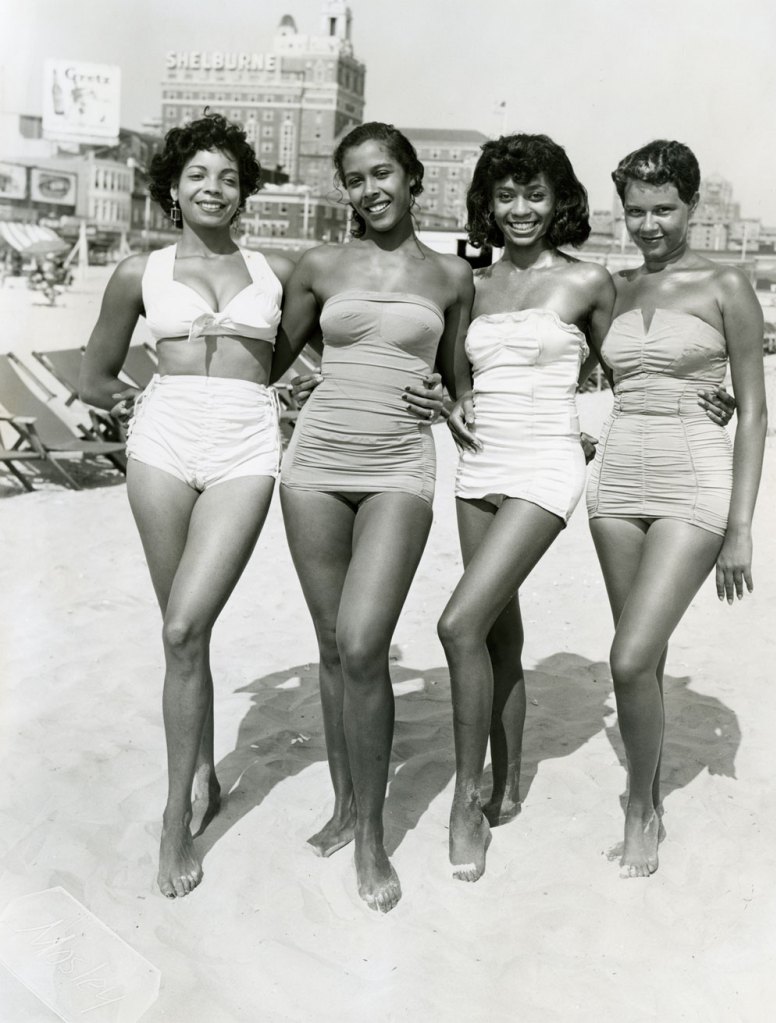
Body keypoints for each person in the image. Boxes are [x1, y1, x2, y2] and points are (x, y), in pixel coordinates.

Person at [80, 112, 294, 899]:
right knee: (182, 630)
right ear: (173, 187)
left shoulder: (276, 273)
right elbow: (96, 372)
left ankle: (175, 818)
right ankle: (199, 770)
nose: (213, 187)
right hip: (162, 443)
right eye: (199, 175)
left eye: (229, 178)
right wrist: (145, 401)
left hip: (244, 445)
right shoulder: (141, 271)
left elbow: (313, 348)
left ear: (244, 195)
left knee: (182, 623)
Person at [278, 122, 473, 912]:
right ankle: (344, 804)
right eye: (354, 179)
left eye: (382, 173)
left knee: (364, 641)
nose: (369, 189)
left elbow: (461, 385)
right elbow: (265, 360)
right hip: (314, 465)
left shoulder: (453, 276)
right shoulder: (320, 265)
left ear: (413, 178)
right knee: (331, 646)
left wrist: (445, 398)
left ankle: (371, 836)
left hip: (399, 465)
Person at [586, 139, 766, 877]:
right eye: (635, 210)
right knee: (643, 654)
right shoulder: (614, 288)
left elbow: (751, 413)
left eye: (664, 209)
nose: (649, 224)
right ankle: (649, 792)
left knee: (624, 658)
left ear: (692, 207)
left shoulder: (727, 282)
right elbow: (564, 371)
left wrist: (740, 528)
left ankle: (638, 808)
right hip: (615, 483)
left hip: (693, 478)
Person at [437, 134, 613, 881]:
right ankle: (506, 782)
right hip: (477, 463)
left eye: (534, 194)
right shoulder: (468, 286)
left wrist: (595, 432)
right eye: (504, 196)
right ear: (485, 204)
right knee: (497, 636)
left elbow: (631, 368)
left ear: (558, 198)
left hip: (546, 462)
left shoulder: (591, 282)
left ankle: (464, 804)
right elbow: (453, 378)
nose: (520, 210)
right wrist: (447, 405)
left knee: (458, 623)